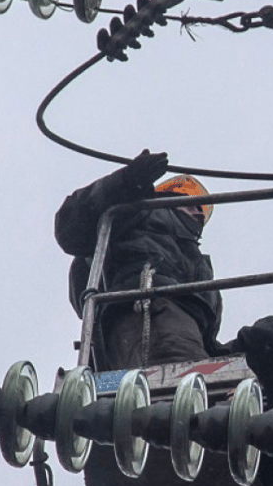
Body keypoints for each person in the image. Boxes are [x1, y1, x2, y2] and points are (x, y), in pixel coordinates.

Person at [55, 149, 222, 371]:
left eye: (202, 211)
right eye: (192, 204)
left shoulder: (195, 261)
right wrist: (128, 182)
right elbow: (71, 227)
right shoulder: (137, 215)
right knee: (177, 381)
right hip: (146, 312)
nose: (199, 214)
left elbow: (206, 333)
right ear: (164, 201)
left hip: (183, 334)